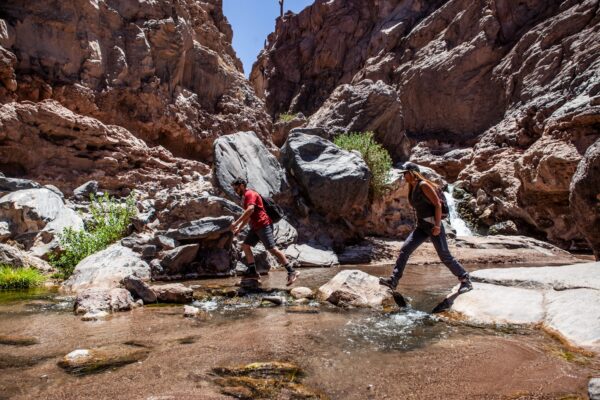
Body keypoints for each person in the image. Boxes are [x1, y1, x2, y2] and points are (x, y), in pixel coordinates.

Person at [379, 163, 473, 294]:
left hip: (433, 225)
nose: (404, 176)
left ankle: (465, 279)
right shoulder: (412, 187)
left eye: (405, 173)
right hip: (422, 227)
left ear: (412, 173)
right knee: (405, 250)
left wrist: (437, 226)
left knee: (445, 256)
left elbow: (438, 205)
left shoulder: (423, 185)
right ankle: (393, 281)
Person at [230, 178, 300, 286]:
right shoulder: (246, 197)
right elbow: (249, 216)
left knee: (272, 249)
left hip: (263, 225)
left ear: (242, 186)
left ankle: (292, 271)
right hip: (255, 227)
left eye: (236, 187)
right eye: (234, 188)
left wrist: (236, 223)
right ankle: (253, 271)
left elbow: (250, 210)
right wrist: (239, 228)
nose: (235, 190)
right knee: (245, 245)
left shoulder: (250, 194)